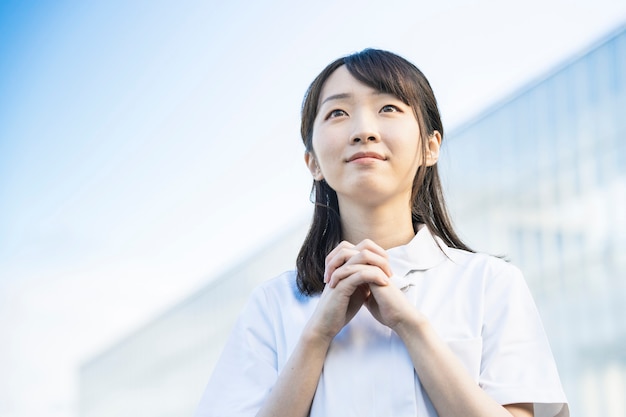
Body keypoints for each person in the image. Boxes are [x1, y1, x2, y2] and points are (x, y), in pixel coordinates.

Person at [194, 49, 569, 417]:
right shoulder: (272, 304)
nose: (363, 131)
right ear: (313, 162)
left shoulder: (490, 282)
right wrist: (316, 336)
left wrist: (411, 325)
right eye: (338, 113)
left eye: (388, 108)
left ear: (430, 146)